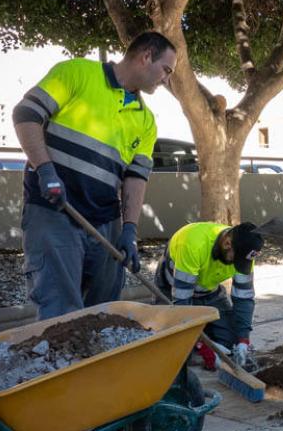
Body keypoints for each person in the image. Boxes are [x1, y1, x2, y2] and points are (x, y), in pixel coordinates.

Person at [12, 32, 172, 319]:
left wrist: (129, 230)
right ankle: (62, 362)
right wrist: (46, 171)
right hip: (54, 212)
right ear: (146, 56)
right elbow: (26, 114)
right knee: (60, 313)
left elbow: (135, 178)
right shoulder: (77, 73)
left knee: (104, 313)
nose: (166, 80)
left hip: (104, 223)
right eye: (166, 70)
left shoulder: (146, 121)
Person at [156, 222, 264, 371]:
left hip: (210, 293)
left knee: (230, 344)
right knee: (178, 352)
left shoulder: (243, 253)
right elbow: (181, 305)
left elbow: (244, 298)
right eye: (236, 259)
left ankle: (203, 331)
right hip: (174, 292)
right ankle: (196, 336)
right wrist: (199, 343)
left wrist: (243, 340)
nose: (237, 264)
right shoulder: (193, 244)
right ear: (227, 243)